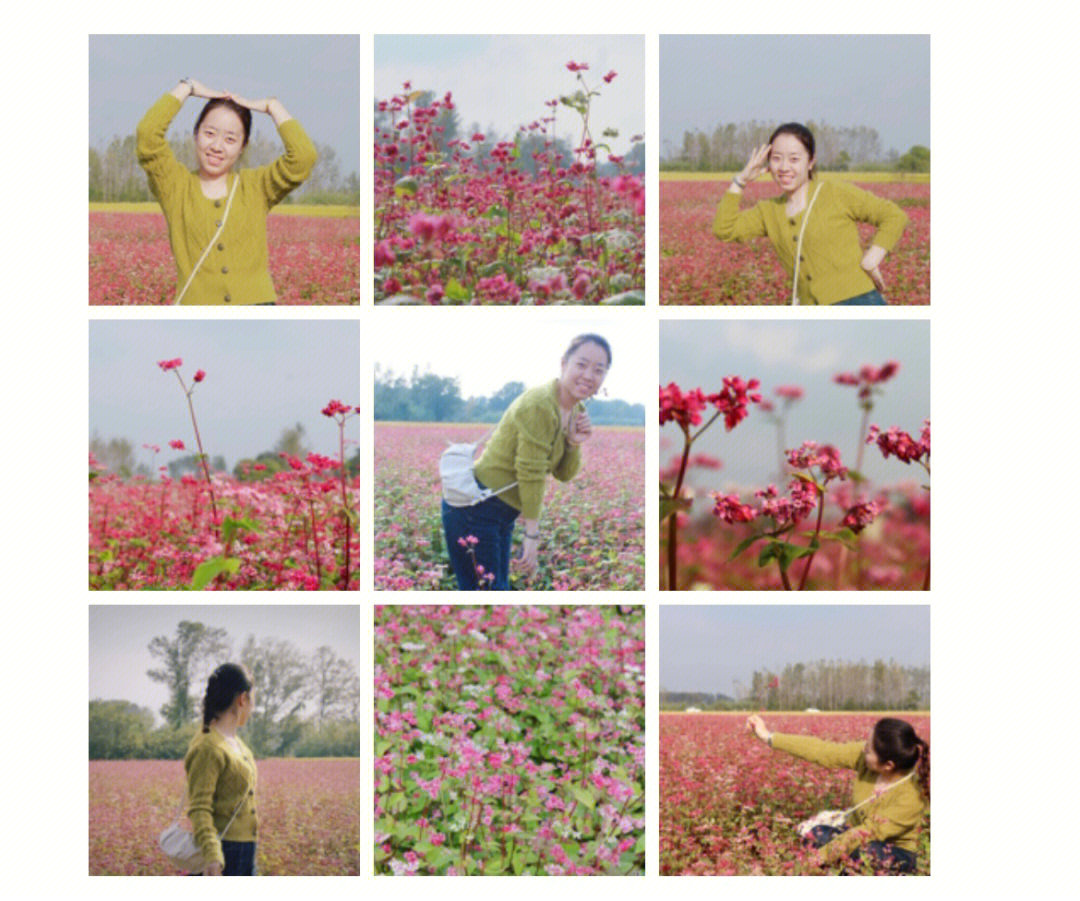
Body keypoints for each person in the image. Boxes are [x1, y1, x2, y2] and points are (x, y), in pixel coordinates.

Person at [441, 334, 611, 590]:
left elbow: (564, 474)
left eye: (599, 370)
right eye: (582, 364)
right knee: (487, 594)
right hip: (475, 508)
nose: (589, 375)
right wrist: (531, 535)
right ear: (564, 363)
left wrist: (574, 443)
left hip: (500, 513)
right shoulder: (540, 404)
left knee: (495, 590)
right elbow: (530, 473)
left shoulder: (576, 410)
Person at [136, 78, 317, 305]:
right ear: (196, 134)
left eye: (230, 139)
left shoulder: (256, 186)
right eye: (210, 133)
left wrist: (273, 107)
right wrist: (187, 88)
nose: (217, 147)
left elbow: (303, 158)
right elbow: (147, 136)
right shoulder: (174, 185)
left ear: (242, 147)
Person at [713, 123, 908, 305]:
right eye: (776, 158)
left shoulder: (834, 192)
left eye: (794, 159)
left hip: (860, 300)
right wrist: (740, 181)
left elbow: (893, 215)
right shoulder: (768, 211)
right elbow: (724, 229)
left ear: (811, 161)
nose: (784, 167)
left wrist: (870, 260)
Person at [746, 714, 929, 873]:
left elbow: (866, 833)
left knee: (864, 852)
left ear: (888, 765)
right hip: (855, 837)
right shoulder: (867, 758)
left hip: (894, 853)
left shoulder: (912, 796)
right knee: (817, 834)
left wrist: (814, 860)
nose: (863, 749)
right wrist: (768, 737)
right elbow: (824, 751)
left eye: (869, 749)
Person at [184, 663, 258, 876]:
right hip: (223, 852)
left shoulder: (235, 743)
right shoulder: (208, 746)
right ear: (242, 699)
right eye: (252, 701)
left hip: (245, 850)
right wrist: (212, 855)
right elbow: (199, 808)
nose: (252, 709)